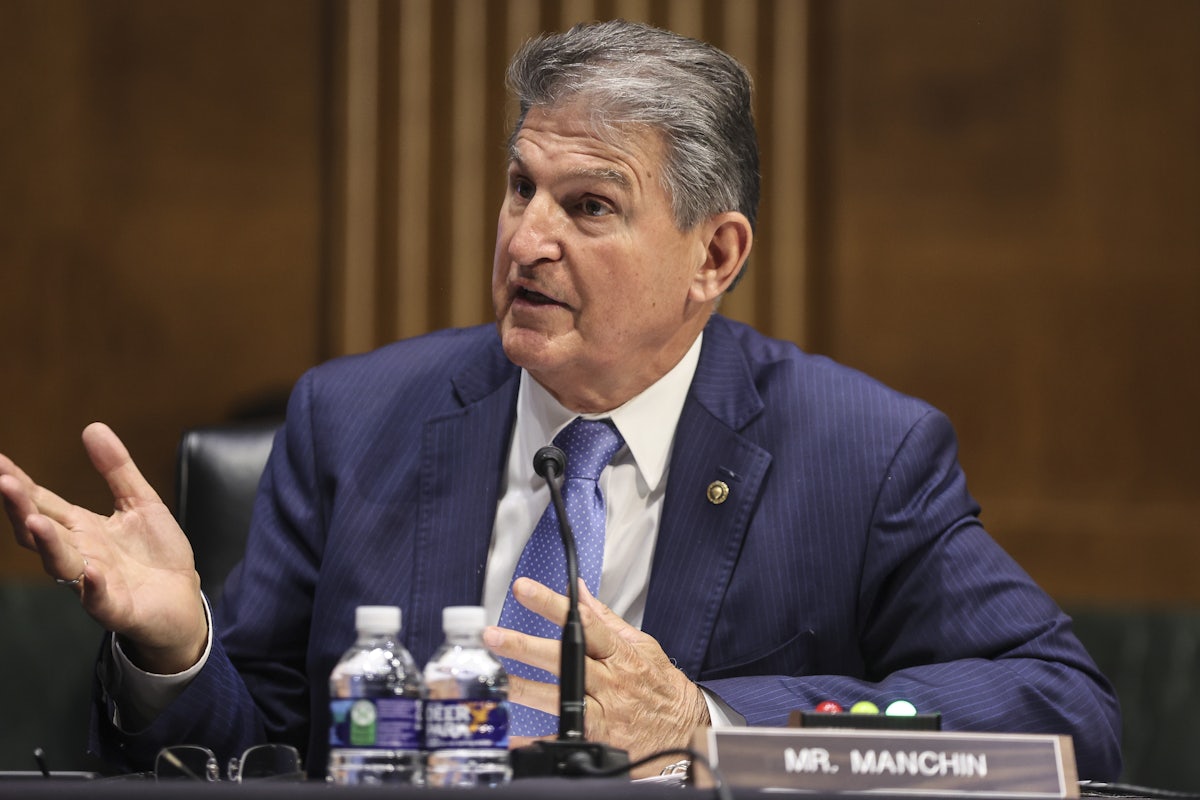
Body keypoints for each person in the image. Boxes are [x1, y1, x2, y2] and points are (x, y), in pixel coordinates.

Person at [0, 19, 1121, 781]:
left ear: (713, 254)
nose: (527, 237)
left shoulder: (860, 452)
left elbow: (1066, 711)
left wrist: (709, 728)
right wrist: (179, 646)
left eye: (588, 205)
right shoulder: (353, 418)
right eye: (520, 186)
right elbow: (254, 752)